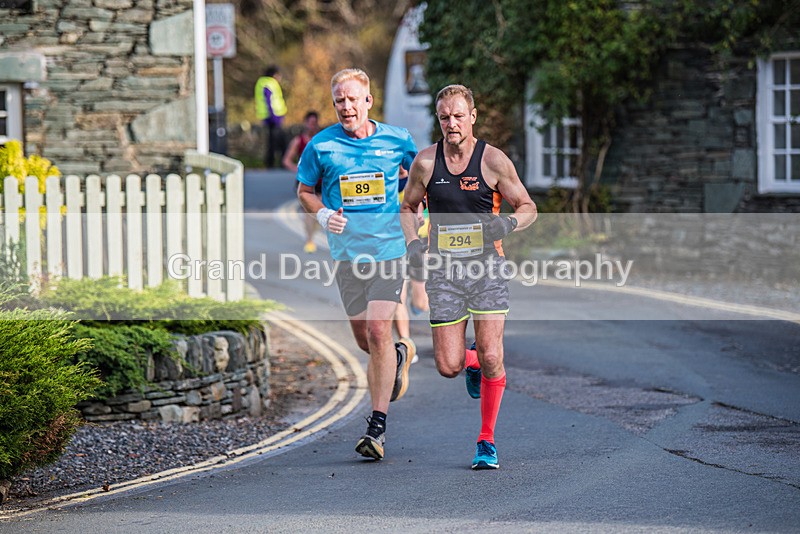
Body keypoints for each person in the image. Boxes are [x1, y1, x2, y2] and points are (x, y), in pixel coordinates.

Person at [400, 84, 537, 470]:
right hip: (444, 273)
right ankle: (471, 360)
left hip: (486, 268)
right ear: (438, 120)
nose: (452, 124)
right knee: (448, 366)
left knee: (494, 355)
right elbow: (407, 207)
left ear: (472, 117)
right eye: (445, 117)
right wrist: (413, 244)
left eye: (459, 116)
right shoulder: (426, 163)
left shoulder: (493, 161)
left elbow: (528, 206)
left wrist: (508, 224)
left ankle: (486, 441)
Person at [297, 68, 418, 461]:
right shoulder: (321, 146)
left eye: (352, 99)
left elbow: (422, 177)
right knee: (366, 340)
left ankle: (376, 427)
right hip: (348, 255)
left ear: (368, 100)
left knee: (378, 330)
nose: (346, 107)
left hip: (388, 250)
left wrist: (418, 210)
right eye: (339, 101)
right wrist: (322, 215)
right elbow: (305, 191)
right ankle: (398, 355)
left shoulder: (397, 139)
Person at [283, 111, 322, 253]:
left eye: (314, 123)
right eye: (310, 123)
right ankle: (309, 241)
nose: (312, 126)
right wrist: (299, 170)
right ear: (305, 123)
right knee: (308, 211)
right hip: (305, 181)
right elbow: (286, 160)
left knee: (320, 210)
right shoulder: (298, 141)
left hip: (321, 181)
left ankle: (315, 231)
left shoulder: (322, 140)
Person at [254, 65, 287, 167]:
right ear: (274, 75)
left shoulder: (263, 83)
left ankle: (274, 162)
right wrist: (273, 116)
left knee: (273, 140)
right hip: (273, 117)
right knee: (277, 140)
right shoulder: (269, 84)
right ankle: (277, 162)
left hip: (270, 116)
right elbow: (269, 101)